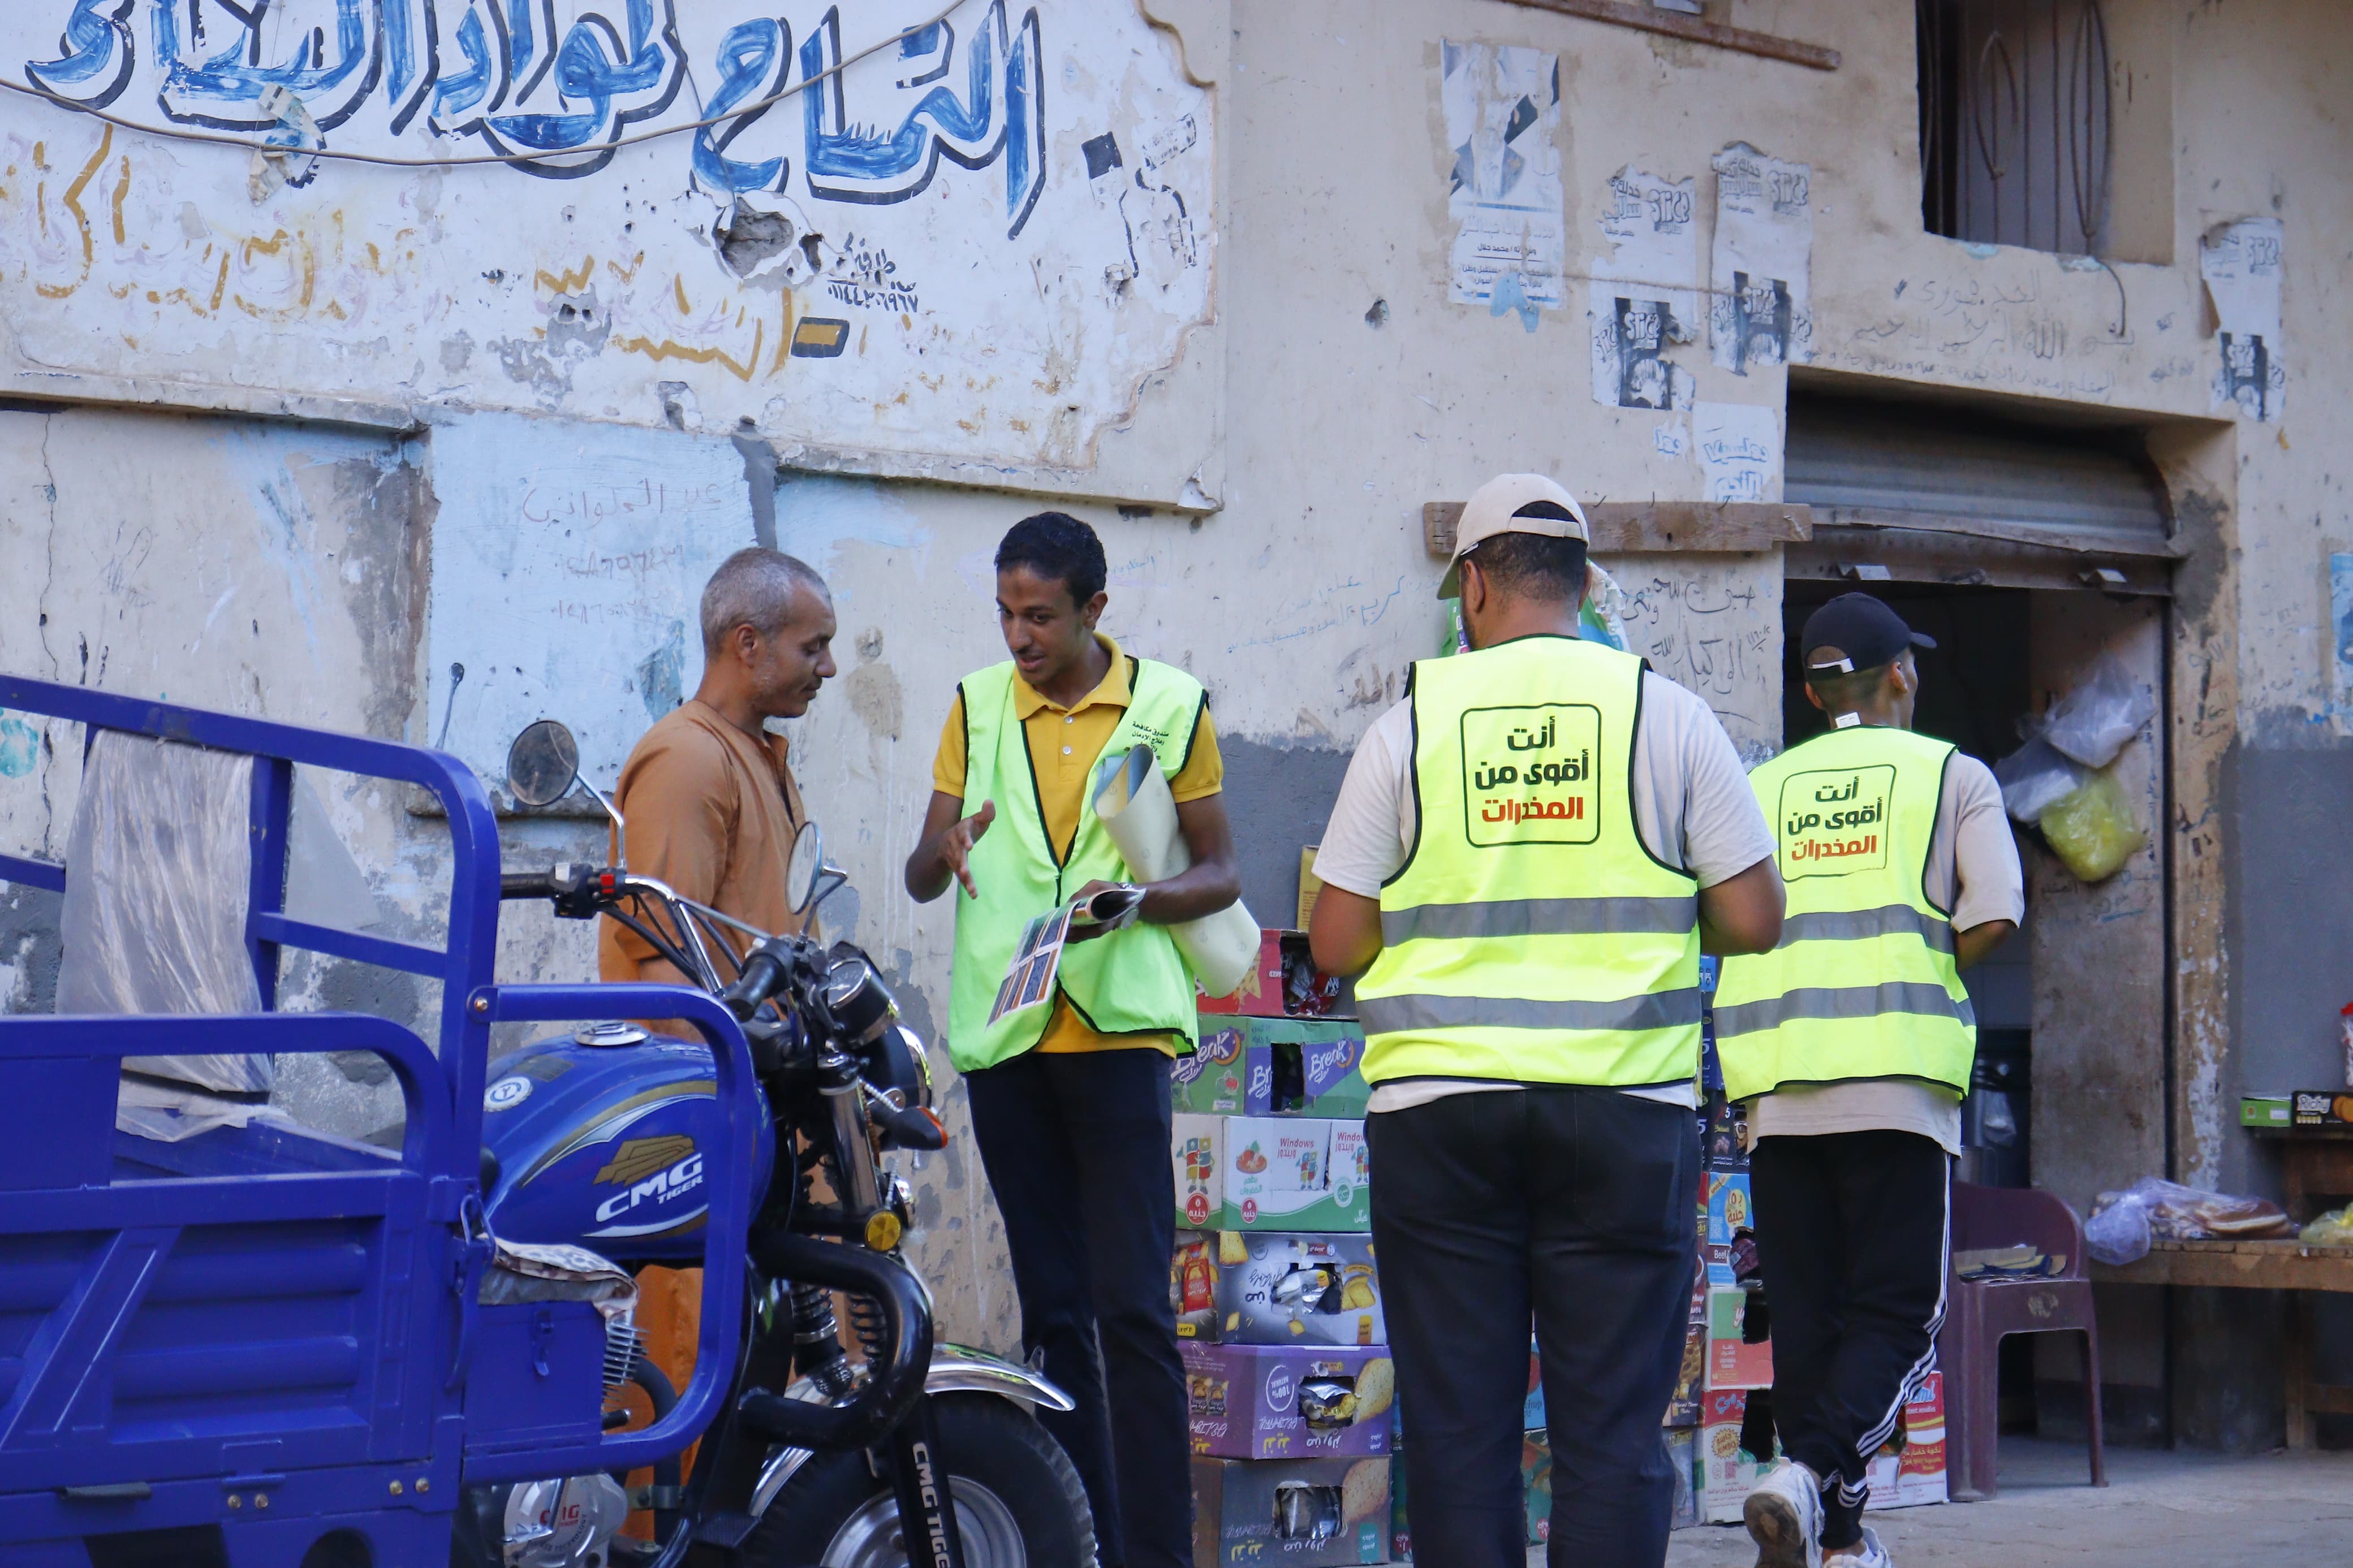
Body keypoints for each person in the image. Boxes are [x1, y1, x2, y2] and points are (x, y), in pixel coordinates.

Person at [1307, 473, 1785, 1568]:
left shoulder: (1410, 725)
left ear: (1472, 586)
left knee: (1460, 1431)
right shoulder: (1667, 713)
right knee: (1609, 1433)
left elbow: (1334, 945)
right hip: (1623, 1117)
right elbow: (1753, 918)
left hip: (1440, 1123)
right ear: (1584, 587)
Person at [904, 511, 1239, 1568]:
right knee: (1052, 1311)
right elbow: (923, 869)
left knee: (1133, 1310)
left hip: (1120, 1040)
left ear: (1096, 608)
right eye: (1005, 612)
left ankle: (1156, 1553)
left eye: (1039, 614)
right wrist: (942, 844)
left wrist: (1141, 898)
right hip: (1009, 1042)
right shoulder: (975, 705)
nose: (1019, 635)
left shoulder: (1172, 704)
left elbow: (1224, 872)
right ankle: (1079, 1534)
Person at [1714, 593, 2022, 1568]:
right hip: (1896, 1081)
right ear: (1905, 676)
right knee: (1900, 1316)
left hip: (1779, 1084)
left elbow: (1724, 920)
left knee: (1809, 1321)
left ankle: (1838, 1539)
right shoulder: (1950, 773)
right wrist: (1925, 969)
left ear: (1811, 690)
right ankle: (1806, 1472)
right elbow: (1997, 911)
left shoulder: (1761, 786)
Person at [594, 546, 837, 1531]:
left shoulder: (761, 759)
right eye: (812, 646)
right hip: (699, 1132)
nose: (828, 666)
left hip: (756, 1132)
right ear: (749, 643)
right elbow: (657, 970)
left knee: (754, 1384)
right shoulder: (691, 758)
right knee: (692, 1367)